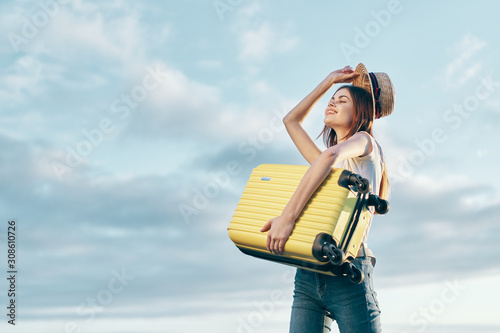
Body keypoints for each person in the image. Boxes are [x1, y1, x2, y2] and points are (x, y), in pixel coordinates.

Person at [260, 64, 395, 333]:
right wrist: (327, 82)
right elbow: (291, 121)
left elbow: (328, 156)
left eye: (341, 100)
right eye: (332, 100)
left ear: (360, 112)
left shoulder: (365, 144)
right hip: (309, 273)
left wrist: (288, 218)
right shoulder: (329, 164)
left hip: (349, 272)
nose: (331, 103)